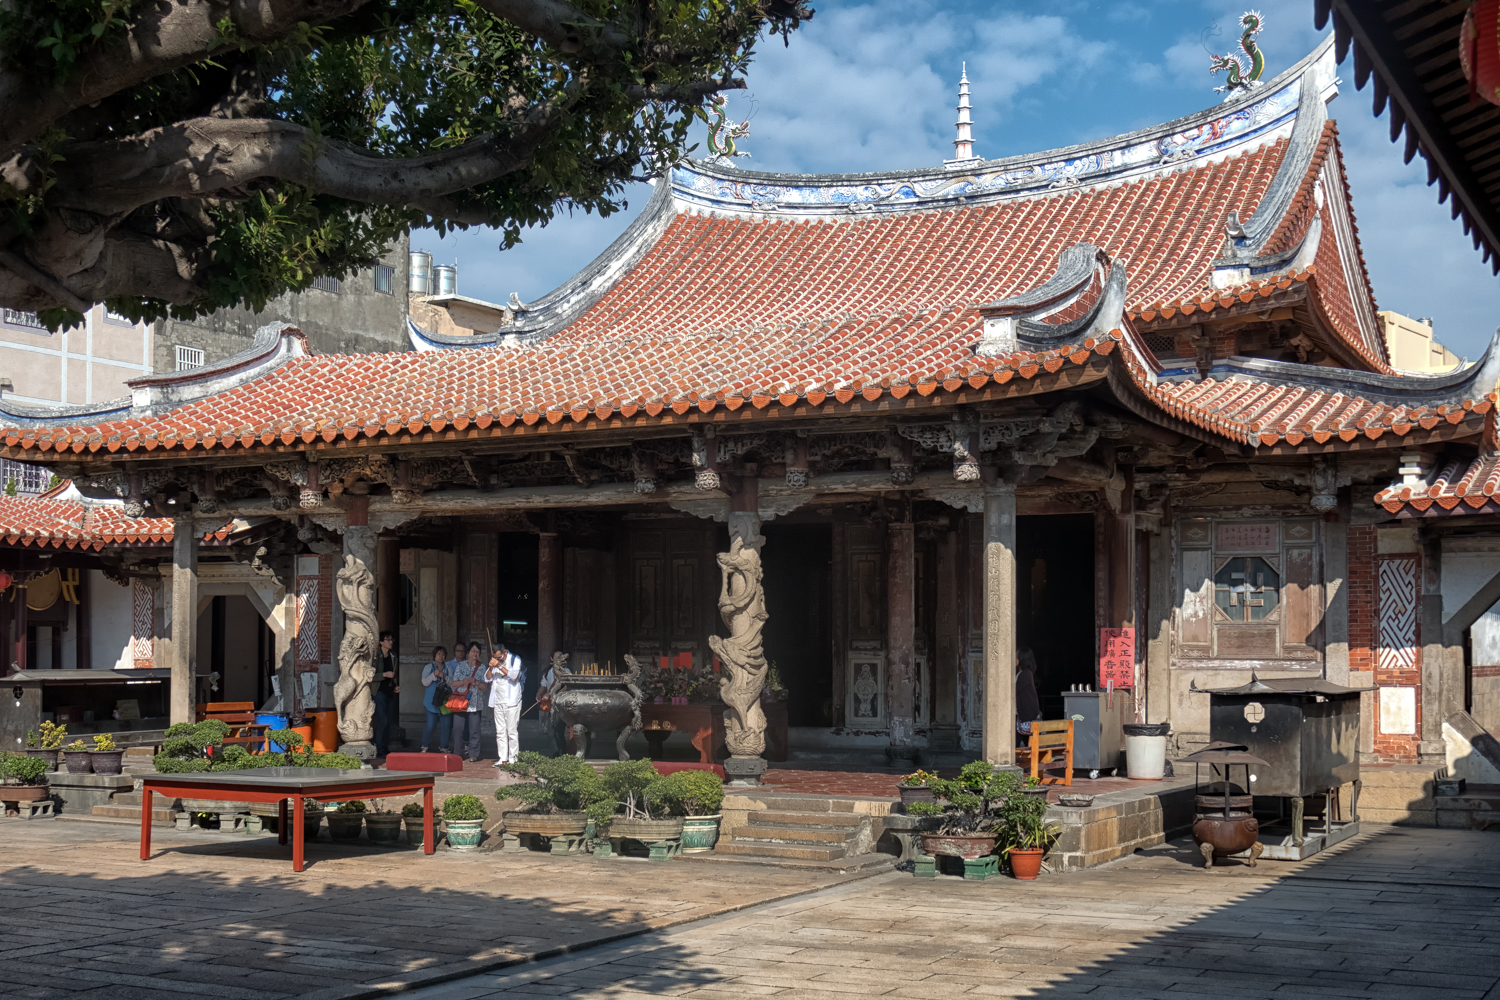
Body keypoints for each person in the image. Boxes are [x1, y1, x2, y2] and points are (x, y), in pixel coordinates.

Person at [449, 641, 487, 762]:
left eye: (477, 651)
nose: (475, 653)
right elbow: (453, 683)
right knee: (457, 729)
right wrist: (464, 681)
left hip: (476, 703)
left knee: (474, 730)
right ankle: (457, 753)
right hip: (461, 701)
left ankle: (473, 754)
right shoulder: (461, 665)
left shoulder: (482, 667)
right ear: (468, 652)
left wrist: (476, 682)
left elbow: (485, 686)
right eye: (473, 651)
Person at [487, 644, 524, 766]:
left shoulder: (515, 659)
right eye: (495, 657)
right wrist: (491, 668)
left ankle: (513, 759)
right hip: (498, 700)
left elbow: (514, 676)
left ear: (505, 652)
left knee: (512, 731)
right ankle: (502, 758)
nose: (498, 659)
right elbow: (487, 678)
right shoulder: (495, 662)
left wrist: (499, 666)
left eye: (499, 657)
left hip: (511, 701)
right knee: (500, 731)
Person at [373, 630, 400, 757]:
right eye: (388, 640)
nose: (390, 642)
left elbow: (394, 675)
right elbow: (368, 674)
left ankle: (385, 747)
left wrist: (396, 685)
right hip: (378, 691)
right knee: (382, 720)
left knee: (388, 721)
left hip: (390, 692)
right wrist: (384, 674)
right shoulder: (375, 656)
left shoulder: (393, 656)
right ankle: (379, 749)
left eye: (391, 640)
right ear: (381, 642)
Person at [421, 646, 452, 753]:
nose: (440, 656)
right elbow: (424, 682)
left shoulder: (448, 668)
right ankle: (424, 745)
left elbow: (452, 683)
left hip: (444, 701)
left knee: (446, 725)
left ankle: (444, 747)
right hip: (430, 701)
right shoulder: (428, 667)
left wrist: (445, 677)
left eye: (443, 654)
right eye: (438, 654)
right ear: (434, 655)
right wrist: (434, 675)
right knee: (430, 725)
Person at [1015, 646, 1043, 748]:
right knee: (1020, 738)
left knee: (1020, 738)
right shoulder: (1022, 673)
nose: (1014, 658)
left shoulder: (1026, 674)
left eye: (1016, 656)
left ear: (1022, 658)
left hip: (1026, 715)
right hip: (1023, 714)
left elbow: (1013, 691)